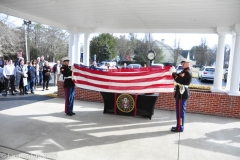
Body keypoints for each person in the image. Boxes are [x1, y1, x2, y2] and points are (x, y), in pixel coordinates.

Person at [171, 60, 192, 132]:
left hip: (182, 93)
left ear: (187, 64)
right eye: (182, 63)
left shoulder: (187, 72)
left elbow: (178, 79)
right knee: (179, 111)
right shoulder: (184, 71)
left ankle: (180, 127)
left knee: (180, 111)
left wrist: (173, 73)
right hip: (181, 92)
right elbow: (179, 76)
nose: (182, 64)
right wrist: (174, 72)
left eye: (183, 63)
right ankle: (178, 126)